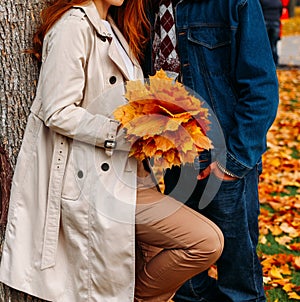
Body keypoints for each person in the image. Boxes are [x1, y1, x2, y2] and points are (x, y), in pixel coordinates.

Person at [0, 0, 224, 301]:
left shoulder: (116, 28)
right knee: (206, 241)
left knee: (168, 258)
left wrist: (162, 127)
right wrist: (122, 135)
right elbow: (57, 110)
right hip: (95, 181)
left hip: (132, 176)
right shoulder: (74, 25)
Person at [142, 0, 279, 301]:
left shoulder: (235, 3)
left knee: (238, 278)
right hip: (176, 159)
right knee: (187, 282)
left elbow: (262, 89)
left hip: (224, 159)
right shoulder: (151, 5)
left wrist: (233, 163)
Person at [259, 0, 283, 66]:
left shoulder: (263, 1)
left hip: (265, 23)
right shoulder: (278, 2)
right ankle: (275, 62)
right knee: (273, 44)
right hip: (275, 24)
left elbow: (259, 11)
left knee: (264, 44)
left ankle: (264, 62)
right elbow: (280, 12)